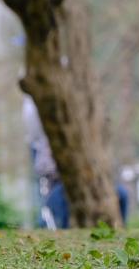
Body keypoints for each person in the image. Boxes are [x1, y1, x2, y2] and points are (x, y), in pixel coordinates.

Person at [25, 97, 128, 229]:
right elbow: (44, 167)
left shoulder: (93, 137)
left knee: (122, 194)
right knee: (61, 200)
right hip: (59, 183)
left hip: (93, 183)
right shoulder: (50, 137)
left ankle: (118, 230)